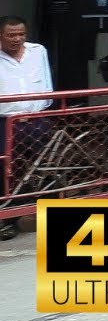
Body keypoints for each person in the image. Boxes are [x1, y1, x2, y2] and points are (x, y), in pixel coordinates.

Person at [0, 16, 52, 240]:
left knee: (43, 166)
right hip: (5, 121)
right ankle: (8, 219)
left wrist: (46, 106)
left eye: (21, 34)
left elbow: (46, 79)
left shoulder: (38, 50)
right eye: (11, 35)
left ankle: (46, 212)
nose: (18, 39)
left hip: (37, 118)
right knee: (6, 170)